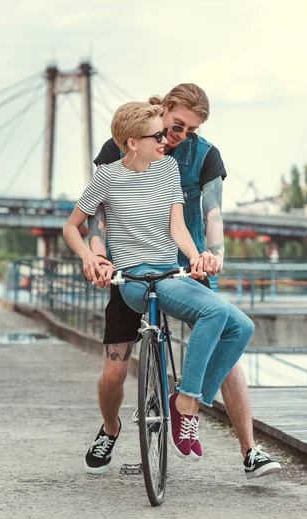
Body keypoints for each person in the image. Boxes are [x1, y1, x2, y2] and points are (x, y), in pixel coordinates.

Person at [86, 84, 281, 481]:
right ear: (165, 109)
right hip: (133, 267)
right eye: (175, 127)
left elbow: (212, 209)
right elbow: (99, 208)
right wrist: (97, 252)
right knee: (114, 369)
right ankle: (110, 429)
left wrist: (215, 252)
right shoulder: (124, 143)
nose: (178, 137)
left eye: (188, 131)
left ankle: (249, 450)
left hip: (188, 265)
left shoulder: (205, 154)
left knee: (226, 342)